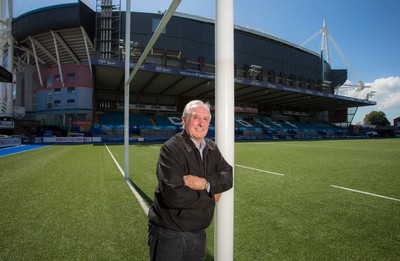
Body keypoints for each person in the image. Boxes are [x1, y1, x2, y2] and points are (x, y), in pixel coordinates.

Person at [147, 100, 233, 261]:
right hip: (170, 235)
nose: (201, 123)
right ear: (184, 120)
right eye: (195, 117)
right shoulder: (171, 149)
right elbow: (174, 196)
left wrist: (205, 184)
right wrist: (211, 195)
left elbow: (228, 175)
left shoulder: (212, 148)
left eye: (205, 119)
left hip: (199, 234)